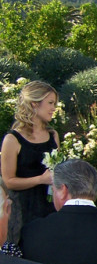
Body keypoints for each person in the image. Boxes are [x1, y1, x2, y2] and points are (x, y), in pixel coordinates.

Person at [0, 80, 59, 248]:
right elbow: (9, 181)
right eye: (50, 103)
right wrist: (40, 179)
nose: (53, 108)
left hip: (49, 207)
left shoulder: (53, 135)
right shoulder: (12, 139)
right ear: (34, 104)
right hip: (23, 210)